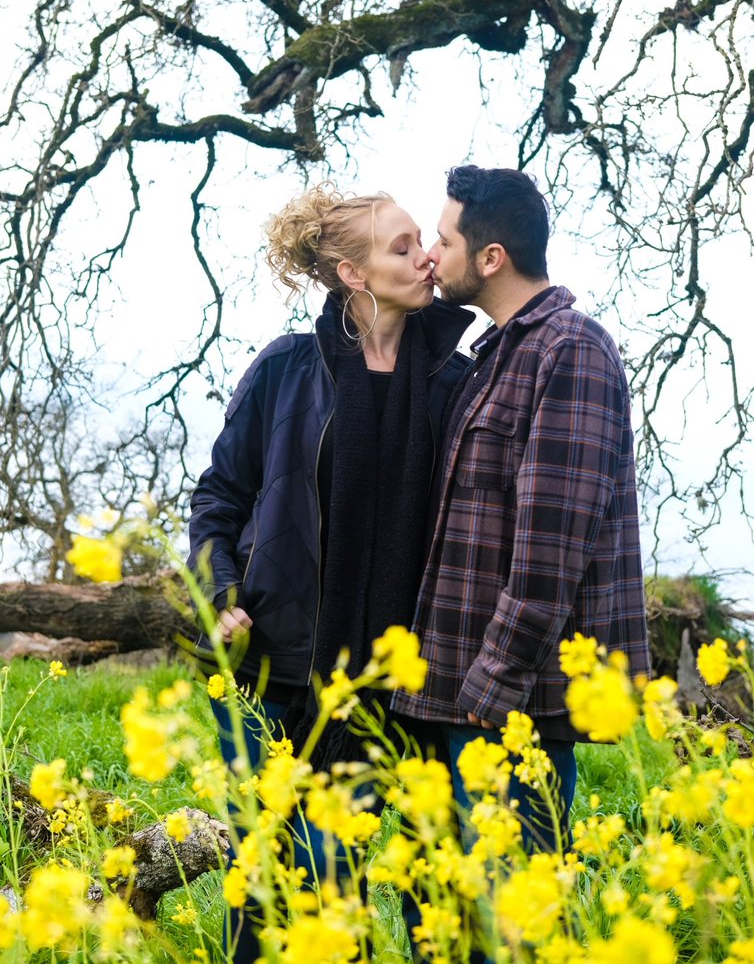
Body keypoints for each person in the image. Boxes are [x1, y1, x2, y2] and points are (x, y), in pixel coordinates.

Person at [186, 182, 473, 963]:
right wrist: (219, 594)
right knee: (282, 882)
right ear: (352, 273)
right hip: (285, 670)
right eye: (401, 245)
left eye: (422, 240)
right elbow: (219, 496)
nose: (425, 258)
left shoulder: (455, 377)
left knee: (429, 894)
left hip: (409, 683)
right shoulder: (285, 369)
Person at [393, 164, 650, 856]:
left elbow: (549, 550)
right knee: (457, 927)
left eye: (443, 241)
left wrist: (490, 688)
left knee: (517, 927)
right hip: (454, 697)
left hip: (509, 709)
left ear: (491, 258)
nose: (430, 256)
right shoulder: (493, 356)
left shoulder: (568, 349)